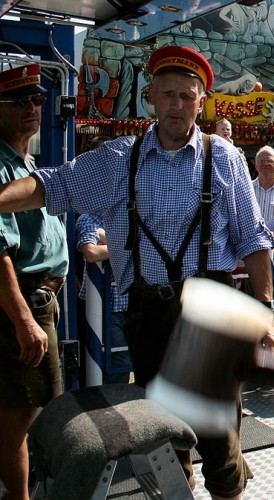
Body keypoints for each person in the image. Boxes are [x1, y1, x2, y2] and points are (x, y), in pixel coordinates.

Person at [0, 47, 274, 500]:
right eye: (167, 94)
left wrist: (266, 309)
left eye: (187, 96)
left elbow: (254, 239)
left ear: (201, 100)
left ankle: (229, 489)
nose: (176, 105)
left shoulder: (224, 158)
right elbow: (53, 184)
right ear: (150, 96)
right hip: (148, 320)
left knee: (219, 434)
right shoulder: (118, 159)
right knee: (164, 437)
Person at [0, 63, 68, 500]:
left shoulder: (23, 161)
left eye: (38, 99)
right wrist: (24, 319)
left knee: (26, 410)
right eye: (20, 100)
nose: (33, 107)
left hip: (39, 299)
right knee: (16, 416)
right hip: (22, 305)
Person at [76, 213, 131, 384]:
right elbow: (91, 252)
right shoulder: (89, 218)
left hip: (133, 305)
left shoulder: (131, 214)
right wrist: (130, 247)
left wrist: (106, 239)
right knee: (117, 362)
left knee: (131, 360)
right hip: (106, 307)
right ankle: (111, 406)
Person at [252, 145, 274, 224]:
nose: (266, 164)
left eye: (270, 161)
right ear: (256, 165)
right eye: (261, 161)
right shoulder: (247, 189)